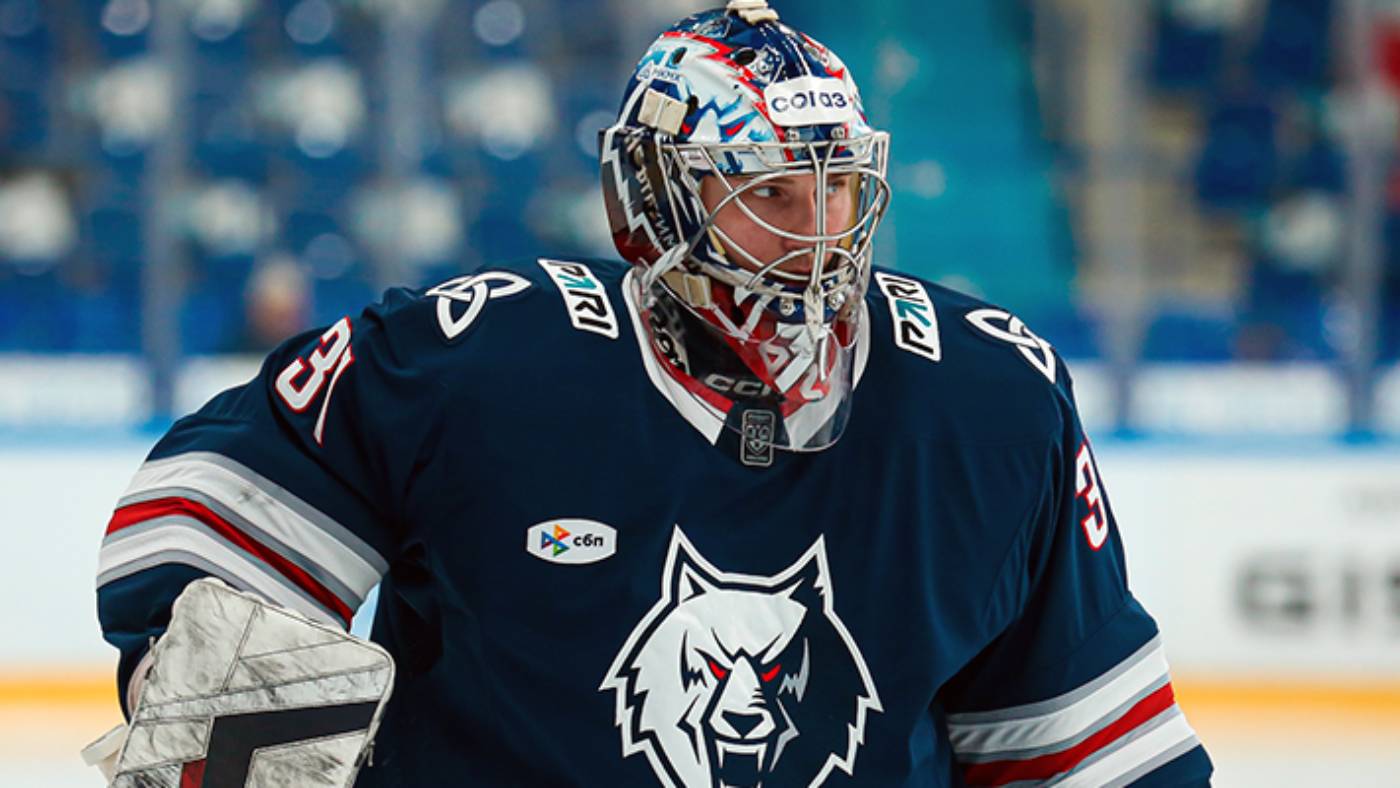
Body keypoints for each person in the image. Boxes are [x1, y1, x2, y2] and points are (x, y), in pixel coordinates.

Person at [94, 2, 1213, 785]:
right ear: (655, 196)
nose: (818, 235)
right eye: (768, 194)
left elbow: (1087, 744)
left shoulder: (988, 396)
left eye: (835, 190)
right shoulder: (484, 360)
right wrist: (215, 709)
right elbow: (210, 517)